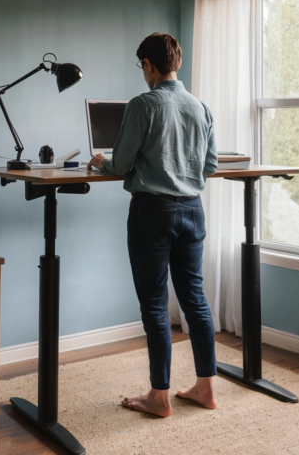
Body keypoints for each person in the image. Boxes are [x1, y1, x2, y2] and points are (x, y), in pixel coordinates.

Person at [88, 33, 219, 417]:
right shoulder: (200, 107)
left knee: (155, 305)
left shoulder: (143, 104)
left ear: (148, 64)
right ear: (176, 61)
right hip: (193, 210)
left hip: (153, 213)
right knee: (194, 299)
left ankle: (159, 397)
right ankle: (205, 389)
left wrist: (100, 162)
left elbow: (122, 162)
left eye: (141, 66)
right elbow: (209, 166)